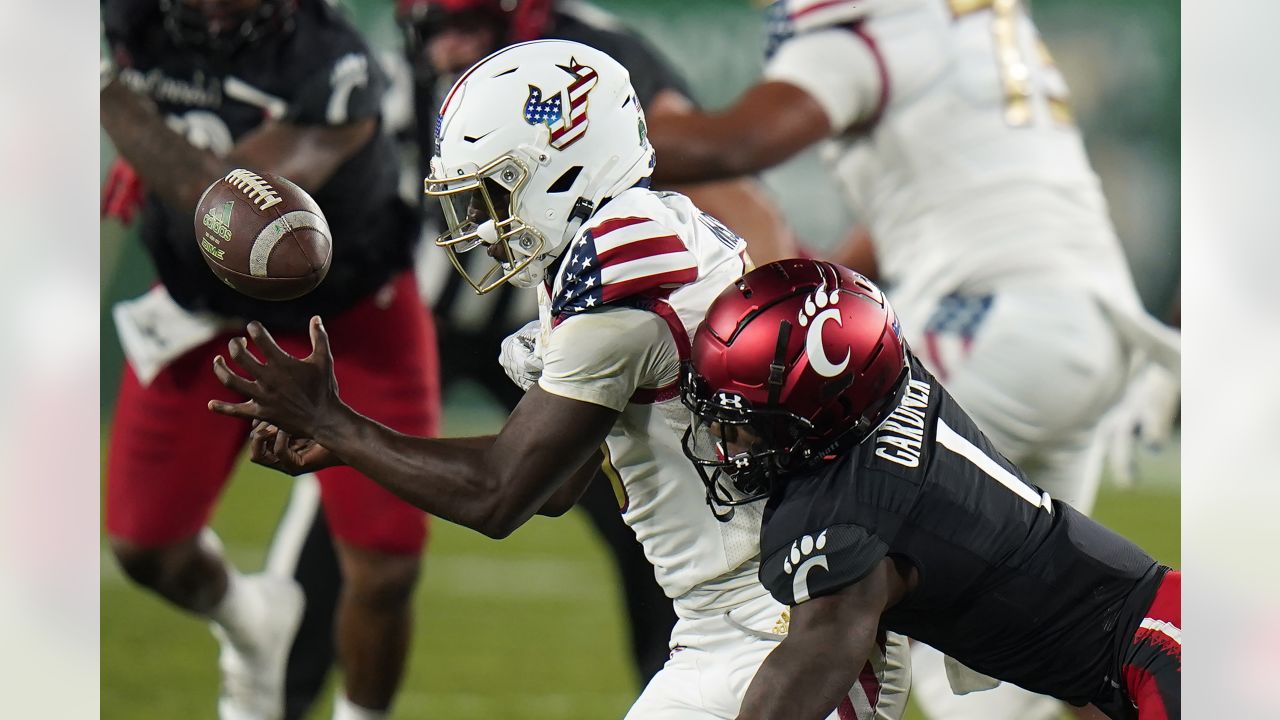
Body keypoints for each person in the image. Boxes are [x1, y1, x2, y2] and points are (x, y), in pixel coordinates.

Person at [209, 39, 909, 720]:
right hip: (741, 622)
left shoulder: (626, 262)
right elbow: (551, 482)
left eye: (490, 194)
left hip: (794, 621)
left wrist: (336, 421)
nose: (477, 227)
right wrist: (350, 445)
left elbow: (499, 493)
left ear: (562, 171)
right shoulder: (615, 241)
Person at [641, 1, 1180, 716]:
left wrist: (586, 143)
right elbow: (923, 199)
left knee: (817, 548)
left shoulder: (877, 22)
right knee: (1035, 636)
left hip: (988, 321)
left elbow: (734, 145)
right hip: (1083, 327)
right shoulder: (960, 22)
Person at [99, 2, 440, 719]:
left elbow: (226, 206)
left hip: (346, 318)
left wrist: (112, 103)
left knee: (384, 564)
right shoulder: (128, 18)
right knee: (144, 546)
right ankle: (252, 622)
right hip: (205, 317)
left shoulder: (334, 63)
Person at [680, 259, 1180, 720]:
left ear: (816, 410)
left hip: (1167, 648)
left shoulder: (854, 511)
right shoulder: (883, 390)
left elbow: (816, 652)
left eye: (741, 422)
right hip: (1141, 649)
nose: (726, 442)